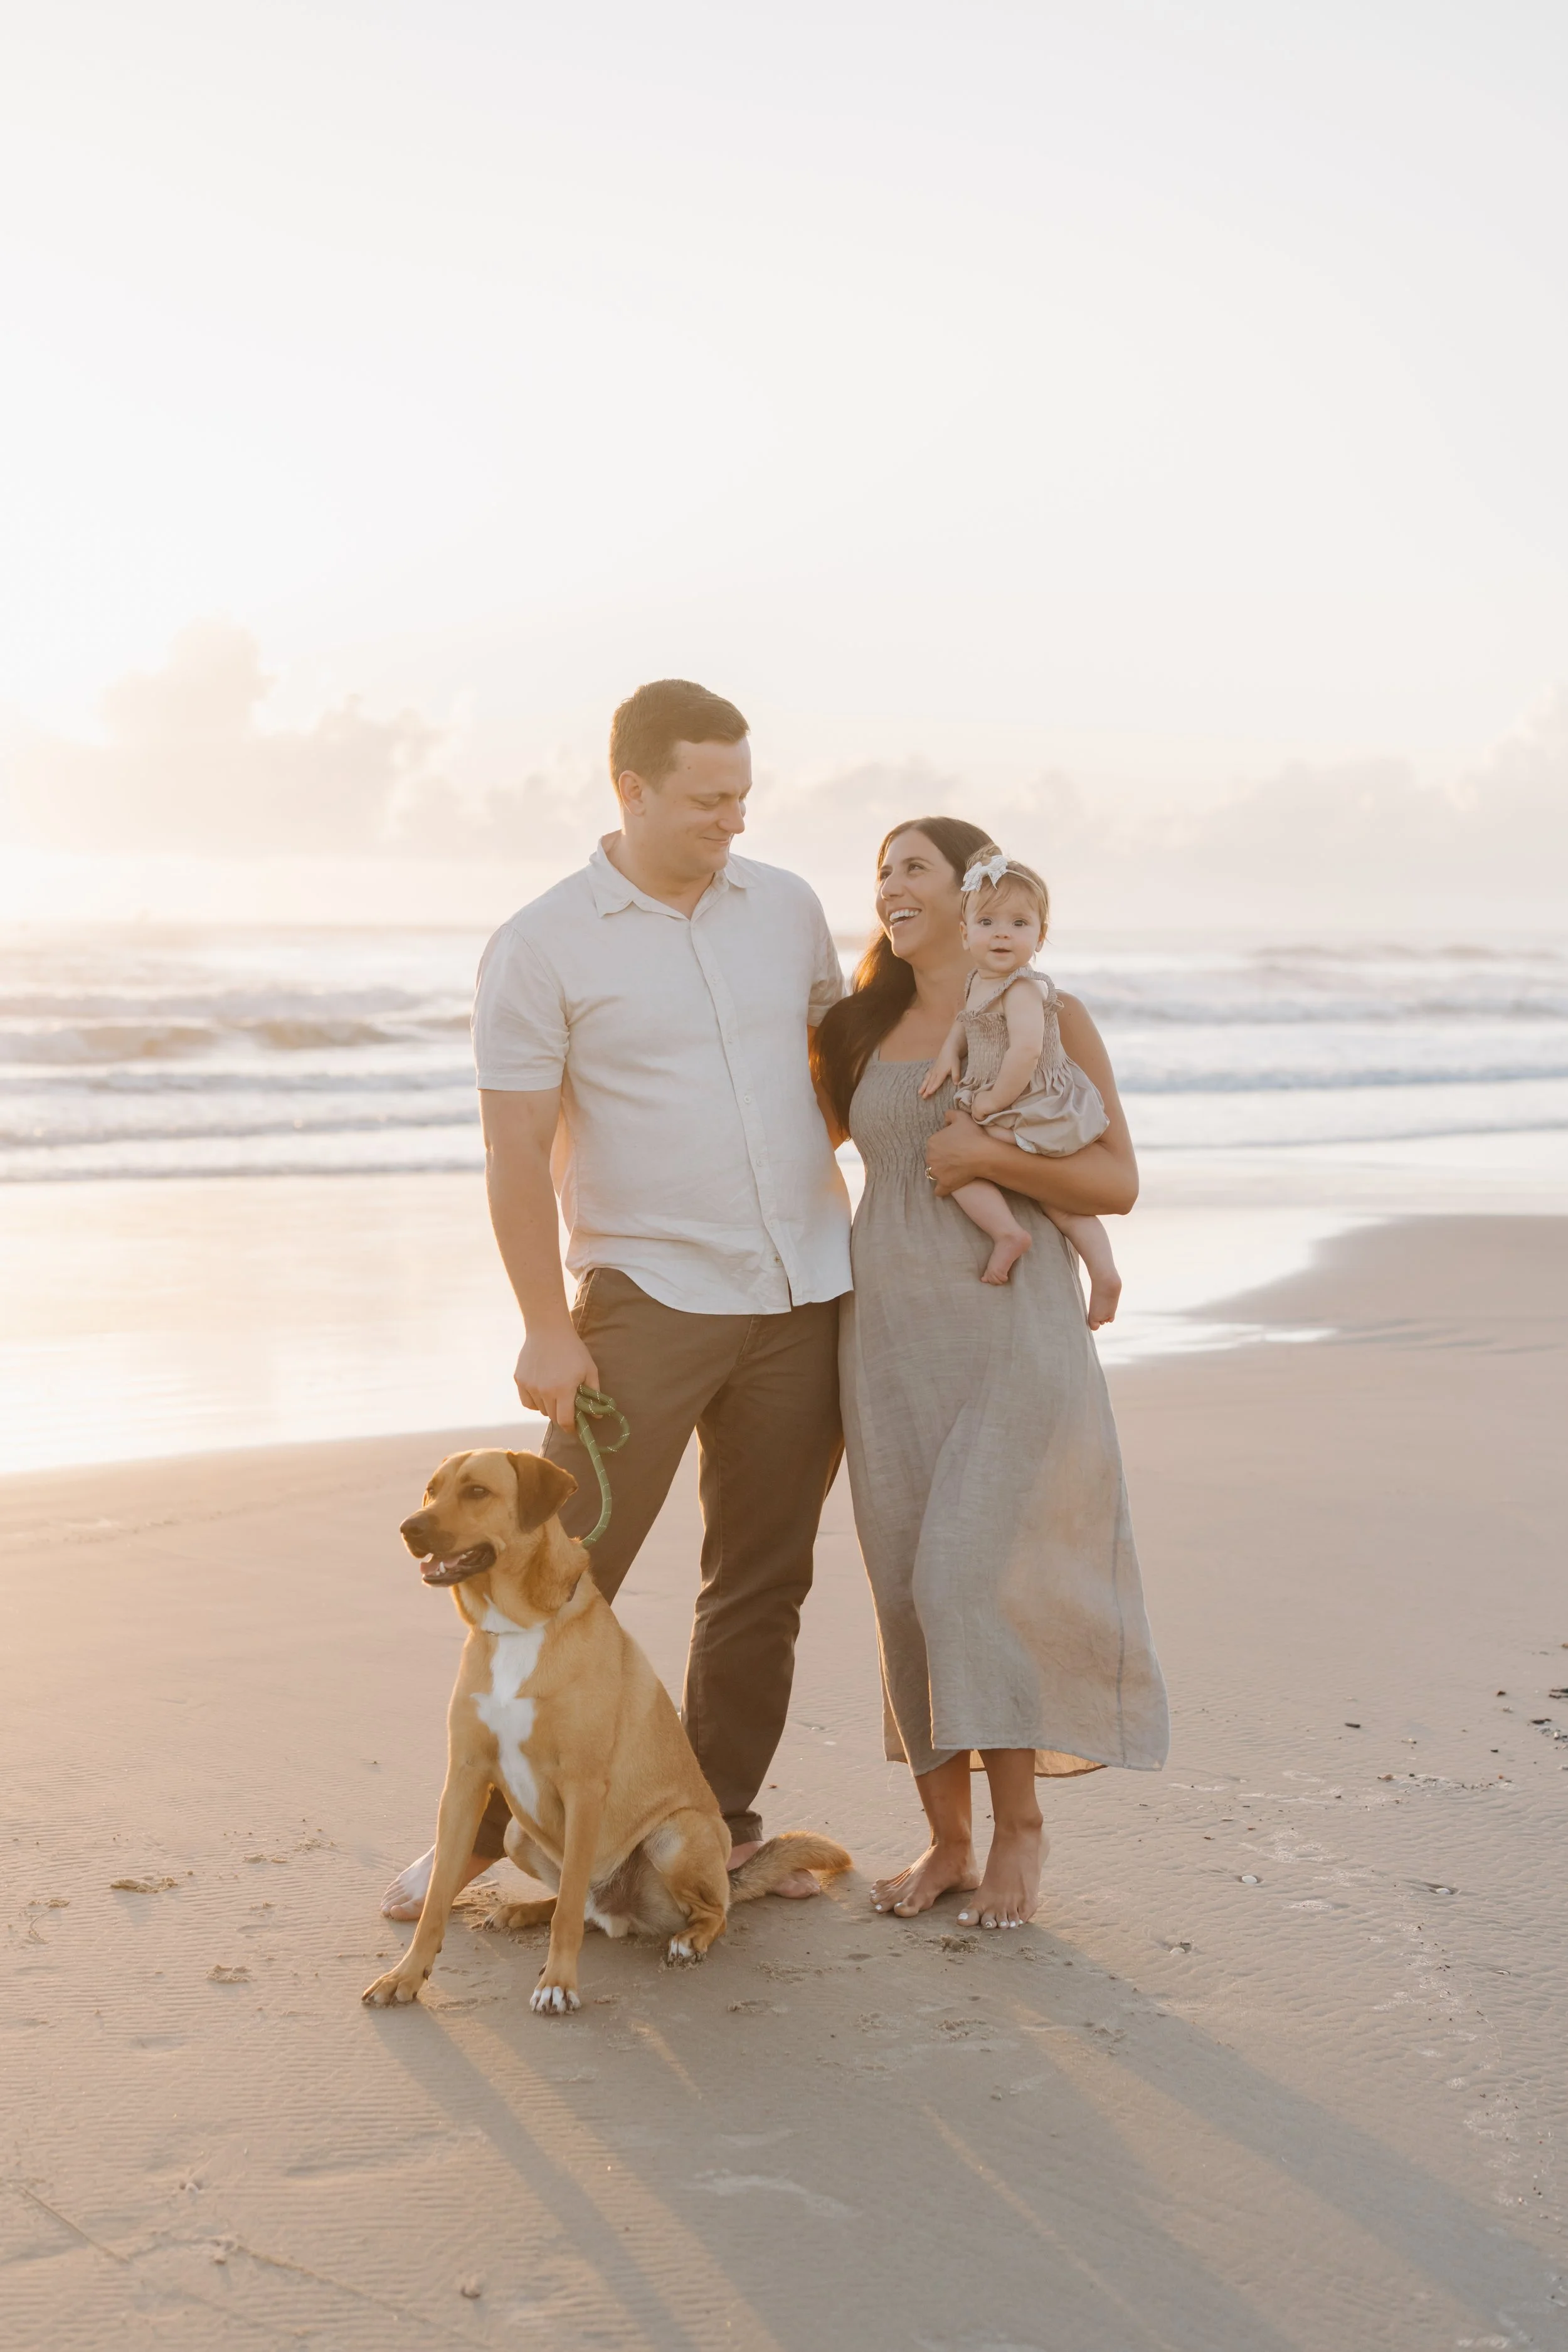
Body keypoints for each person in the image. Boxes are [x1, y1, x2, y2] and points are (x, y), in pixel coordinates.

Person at [382, 679, 850, 1920]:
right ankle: (481, 1832)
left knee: (763, 1580)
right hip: (645, 1298)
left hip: (804, 1291)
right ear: (630, 790)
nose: (730, 821)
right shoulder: (542, 942)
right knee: (545, 1571)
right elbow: (513, 1147)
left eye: (742, 796)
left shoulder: (786, 909)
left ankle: (715, 1819)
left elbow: (842, 1071)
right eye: (706, 799)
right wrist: (546, 1322)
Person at [812, 818, 1168, 1931]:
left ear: (975, 896)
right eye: (880, 871)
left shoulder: (1048, 1015)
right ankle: (947, 1839)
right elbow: (789, 1152)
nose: (888, 888)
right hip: (887, 1331)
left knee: (969, 1574)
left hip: (1012, 1321)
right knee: (905, 1585)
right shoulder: (853, 1027)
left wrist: (986, 1160)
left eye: (912, 868)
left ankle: (1020, 1828)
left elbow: (1114, 1176)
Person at [918, 845, 1121, 1323]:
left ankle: (1048, 1250)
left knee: (961, 1160)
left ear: (1040, 936)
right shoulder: (978, 982)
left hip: (1034, 1102)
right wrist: (950, 1050)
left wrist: (991, 1103)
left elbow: (1026, 1051)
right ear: (966, 934)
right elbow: (965, 1022)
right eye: (988, 924)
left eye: (1019, 924)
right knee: (1050, 1201)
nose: (1003, 934)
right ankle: (1068, 1256)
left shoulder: (1024, 987)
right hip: (1012, 1101)